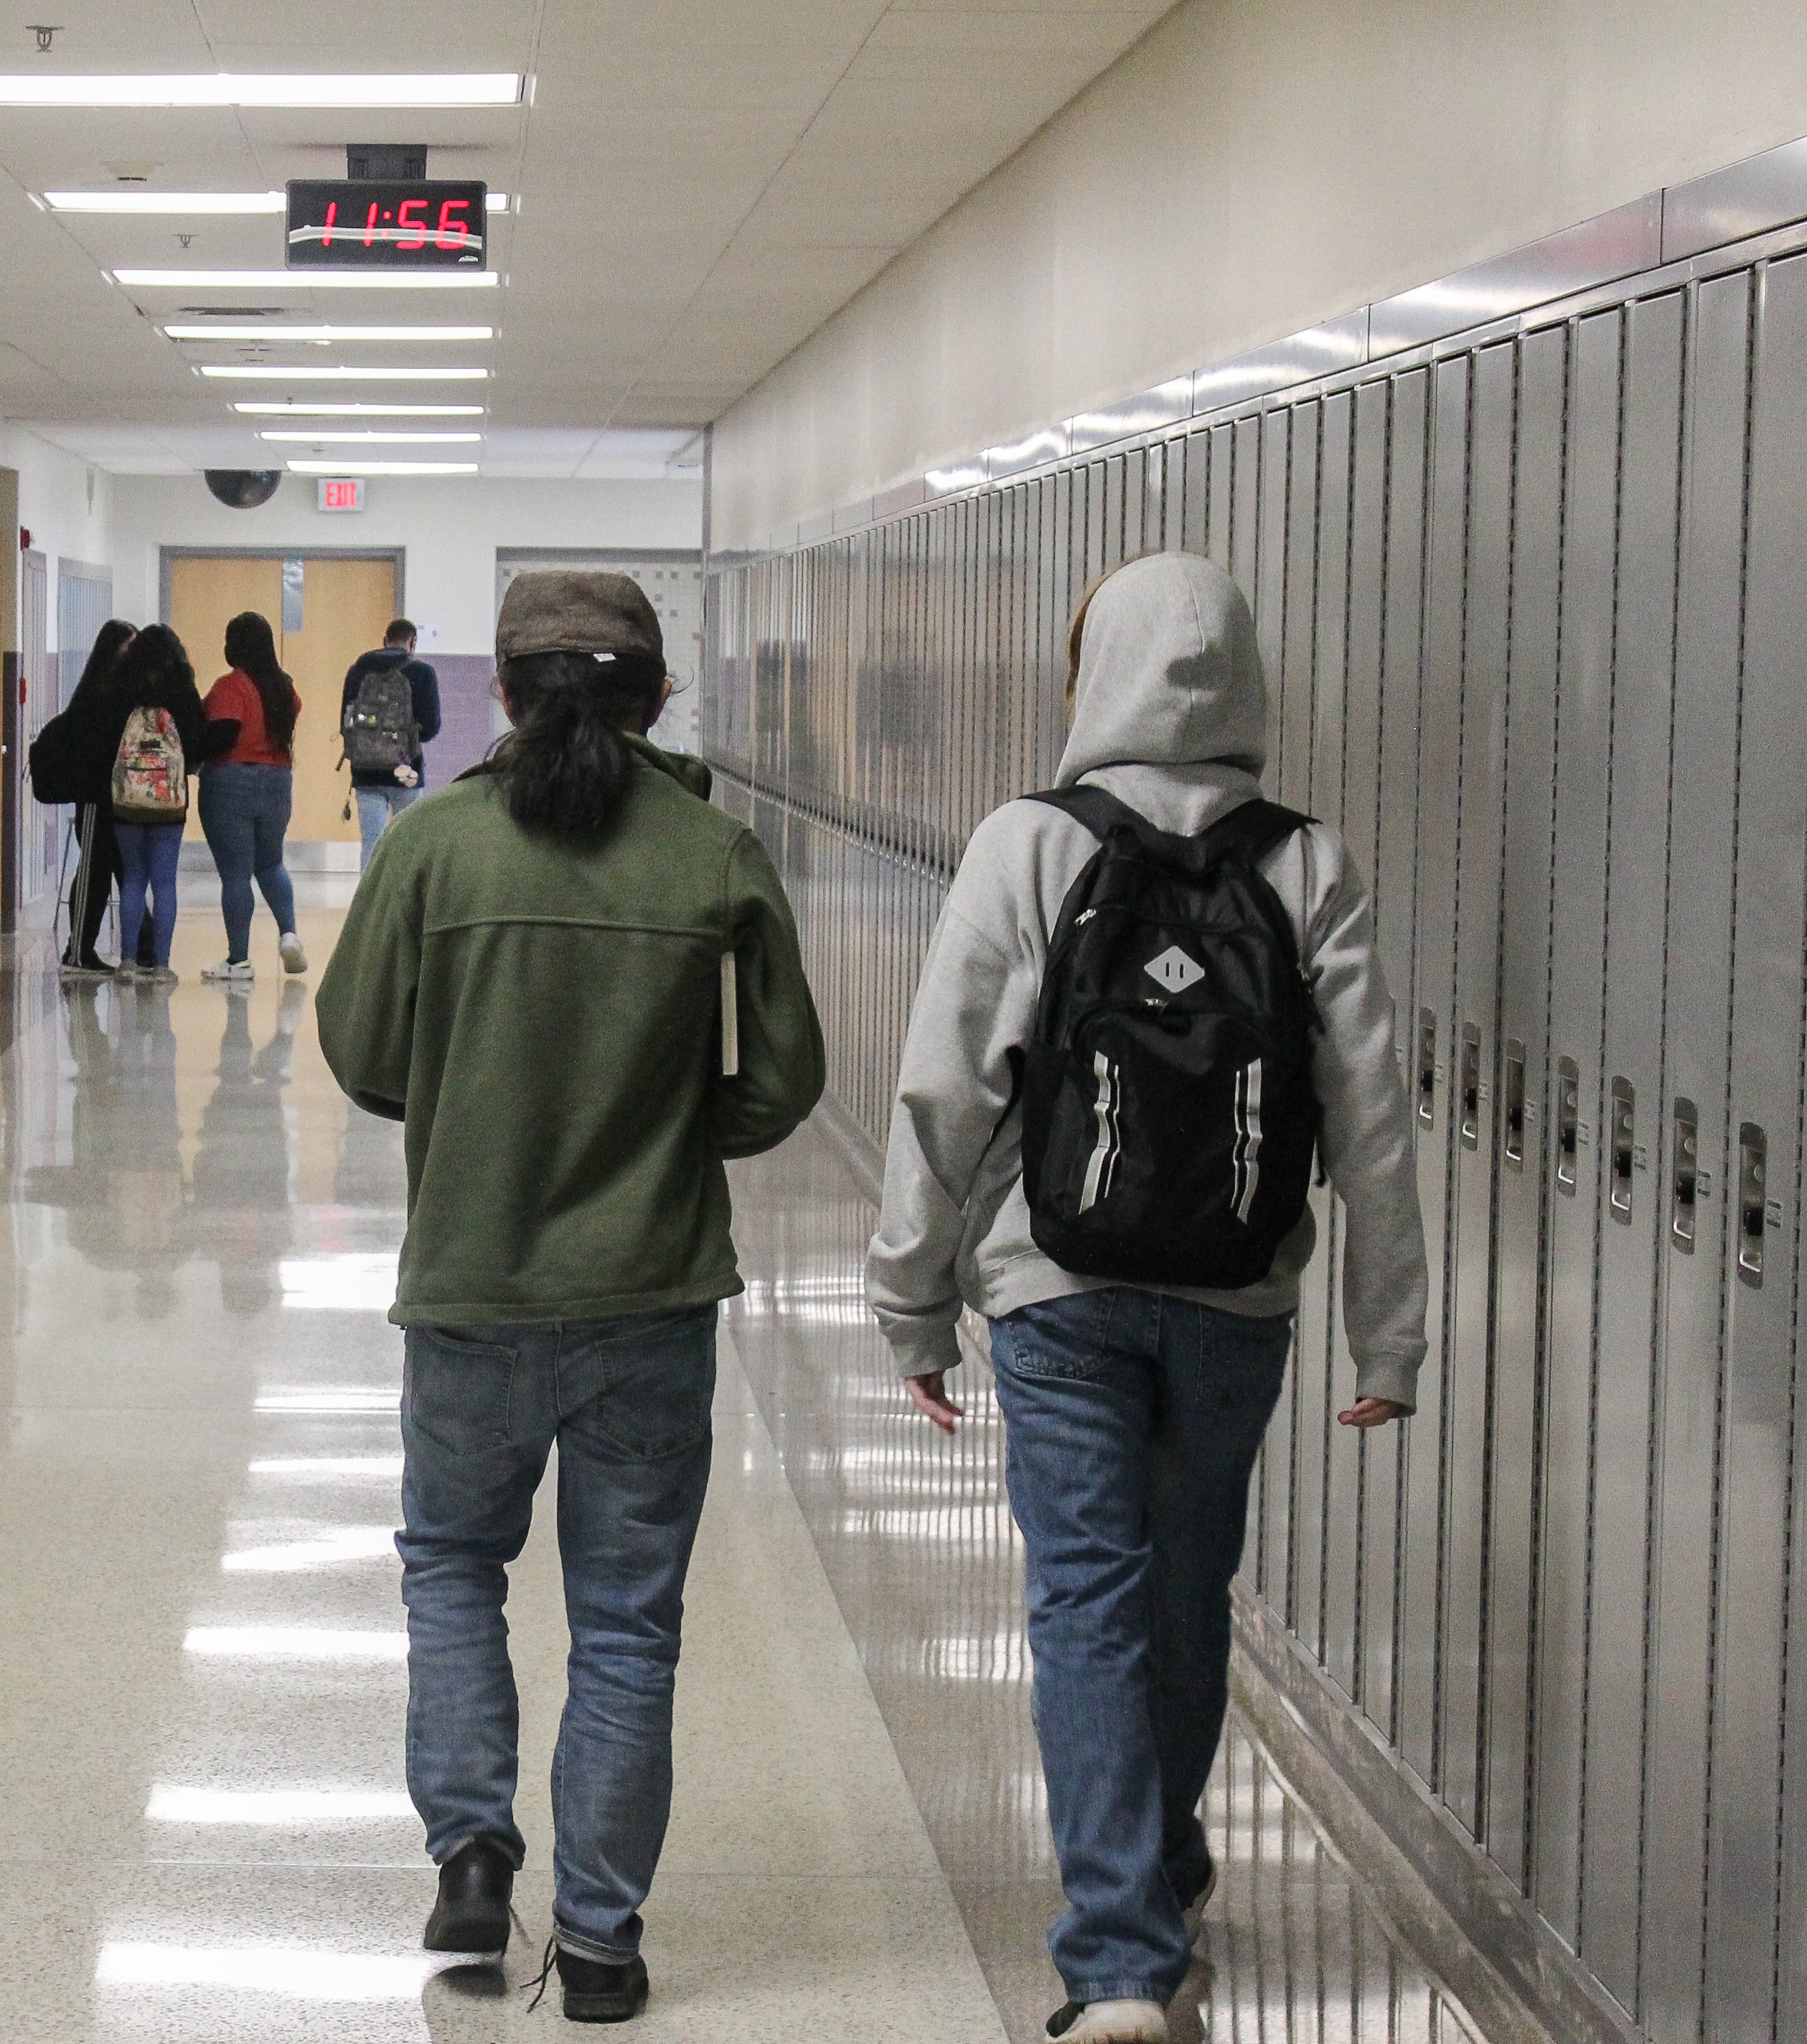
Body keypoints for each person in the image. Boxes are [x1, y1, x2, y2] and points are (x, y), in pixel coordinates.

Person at [867, 552, 1424, 2044]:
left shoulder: (1028, 846)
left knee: (1091, 1601)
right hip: (1238, 1298)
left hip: (1058, 1291)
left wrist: (914, 1301)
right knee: (1184, 1594)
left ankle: (1121, 1952)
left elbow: (947, 1088)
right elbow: (1373, 1118)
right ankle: (1153, 1877)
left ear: (1088, 673)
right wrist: (1392, 1328)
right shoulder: (1313, 863)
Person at [316, 571, 824, 2023]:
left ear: (504, 697)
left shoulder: (439, 850)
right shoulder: (716, 853)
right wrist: (670, 1132)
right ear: (658, 695)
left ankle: (474, 1852)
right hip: (653, 1297)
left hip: (472, 1286)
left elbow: (361, 1050)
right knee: (626, 1617)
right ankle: (601, 1935)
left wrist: (474, 1110)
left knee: (452, 1567)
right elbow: (786, 1081)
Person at [98, 623, 219, 983]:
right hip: (169, 802)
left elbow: (108, 741)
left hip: (127, 802)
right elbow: (196, 744)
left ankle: (128, 963)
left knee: (133, 879)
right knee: (164, 882)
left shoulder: (121, 689)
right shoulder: (182, 691)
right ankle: (162, 966)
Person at [197, 611, 307, 983]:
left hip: (231, 782)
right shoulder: (284, 688)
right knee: (271, 863)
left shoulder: (231, 687)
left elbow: (224, 733)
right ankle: (289, 934)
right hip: (278, 781)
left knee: (236, 874)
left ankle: (239, 961)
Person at [32, 616, 137, 977]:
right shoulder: (98, 697)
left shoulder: (115, 693)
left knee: (117, 873)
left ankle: (138, 950)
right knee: (94, 874)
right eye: (129, 647)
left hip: (115, 801)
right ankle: (77, 952)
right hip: (94, 801)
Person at [342, 617, 443, 868]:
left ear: (384, 641)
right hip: (406, 770)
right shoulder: (422, 673)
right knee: (407, 841)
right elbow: (431, 727)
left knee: (372, 841)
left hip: (365, 772)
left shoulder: (357, 671)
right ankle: (403, 904)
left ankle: (368, 904)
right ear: (412, 643)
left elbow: (346, 725)